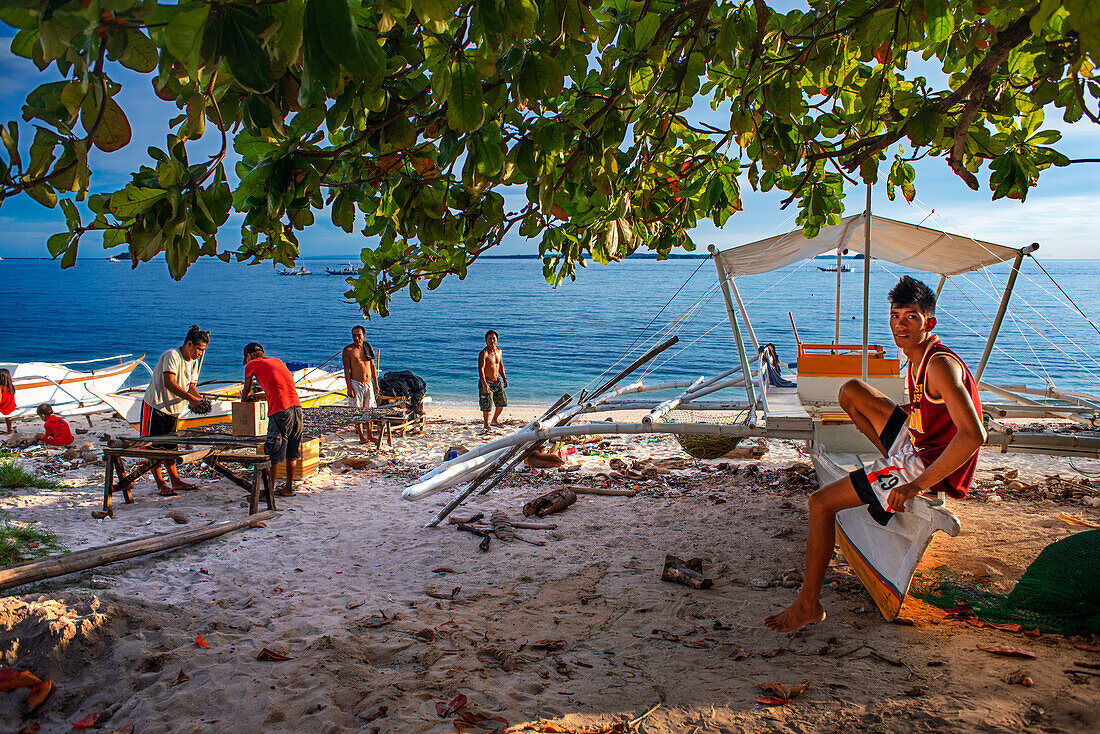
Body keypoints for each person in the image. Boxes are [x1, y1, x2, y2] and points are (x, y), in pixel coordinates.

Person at [765, 276, 986, 632]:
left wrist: (914, 486)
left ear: (929, 322)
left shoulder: (938, 365)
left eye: (911, 316)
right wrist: (900, 417)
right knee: (851, 391)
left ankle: (808, 604)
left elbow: (974, 434)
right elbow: (928, 413)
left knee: (820, 504)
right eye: (896, 315)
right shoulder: (916, 359)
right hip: (917, 443)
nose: (900, 323)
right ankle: (887, 465)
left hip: (928, 464)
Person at [142, 325, 209, 496]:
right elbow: (169, 383)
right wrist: (191, 399)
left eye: (202, 351)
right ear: (189, 344)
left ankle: (175, 480)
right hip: (156, 405)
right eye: (199, 349)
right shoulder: (172, 355)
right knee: (155, 447)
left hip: (173, 410)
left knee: (171, 447)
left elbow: (191, 386)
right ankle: (160, 483)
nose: (200, 353)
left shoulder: (193, 362)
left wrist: (199, 400)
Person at [242, 342, 303, 497]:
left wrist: (245, 402)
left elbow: (246, 389)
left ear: (248, 356)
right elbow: (278, 389)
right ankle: (289, 488)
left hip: (280, 411)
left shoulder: (251, 364)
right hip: (296, 409)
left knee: (274, 452)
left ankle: (269, 491)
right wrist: (258, 396)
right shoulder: (278, 362)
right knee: (292, 451)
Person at [342, 325, 380, 444]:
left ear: (364, 336)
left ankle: (370, 435)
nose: (356, 338)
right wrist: (349, 387)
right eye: (354, 335)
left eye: (359, 335)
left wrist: (376, 384)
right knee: (357, 410)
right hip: (356, 384)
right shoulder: (348, 350)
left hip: (368, 384)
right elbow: (347, 369)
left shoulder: (367, 347)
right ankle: (361, 436)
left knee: (369, 410)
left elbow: (372, 366)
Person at [479, 330, 508, 430]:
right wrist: (484, 384)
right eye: (489, 339)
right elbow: (481, 369)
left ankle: (494, 420)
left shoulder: (499, 351)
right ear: (486, 341)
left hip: (497, 381)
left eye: (494, 339)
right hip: (486, 381)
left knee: (502, 402)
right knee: (487, 404)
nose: (492, 341)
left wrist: (504, 378)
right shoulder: (484, 353)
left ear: (497, 340)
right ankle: (486, 424)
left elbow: (500, 366)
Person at [0, 369, 15, 433]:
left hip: (3, 408)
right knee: (8, 417)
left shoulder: (1, 388)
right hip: (10, 407)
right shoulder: (10, 386)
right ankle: (9, 430)